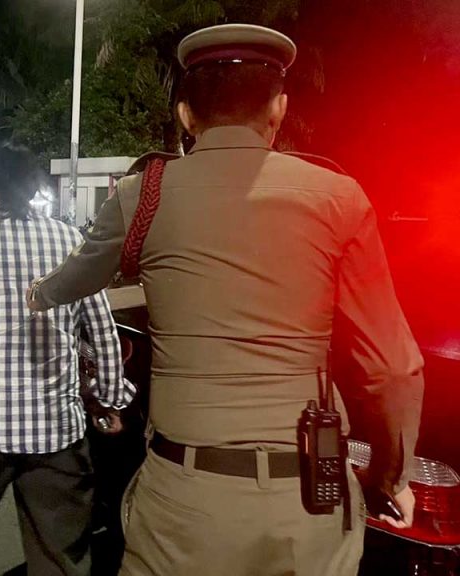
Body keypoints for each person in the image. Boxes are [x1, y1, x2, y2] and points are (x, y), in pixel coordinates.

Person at [27, 23, 424, 576]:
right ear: (279, 109)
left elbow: (73, 279)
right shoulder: (339, 196)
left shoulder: (144, 194)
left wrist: (36, 294)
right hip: (308, 501)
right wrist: (390, 477)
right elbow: (394, 369)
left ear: (186, 115)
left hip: (184, 500)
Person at [0, 146, 134, 576]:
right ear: (35, 187)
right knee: (60, 555)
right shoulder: (70, 240)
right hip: (57, 430)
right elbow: (101, 327)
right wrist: (109, 397)